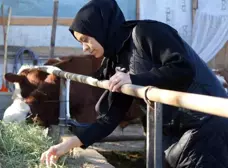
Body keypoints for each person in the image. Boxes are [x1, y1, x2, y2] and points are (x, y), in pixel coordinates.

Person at [40, 0, 228, 167]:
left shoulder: (147, 32)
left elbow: (183, 68)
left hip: (206, 125)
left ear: (100, 28)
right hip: (174, 133)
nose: (84, 47)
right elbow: (111, 117)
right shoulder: (118, 61)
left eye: (86, 39)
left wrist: (134, 79)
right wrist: (69, 144)